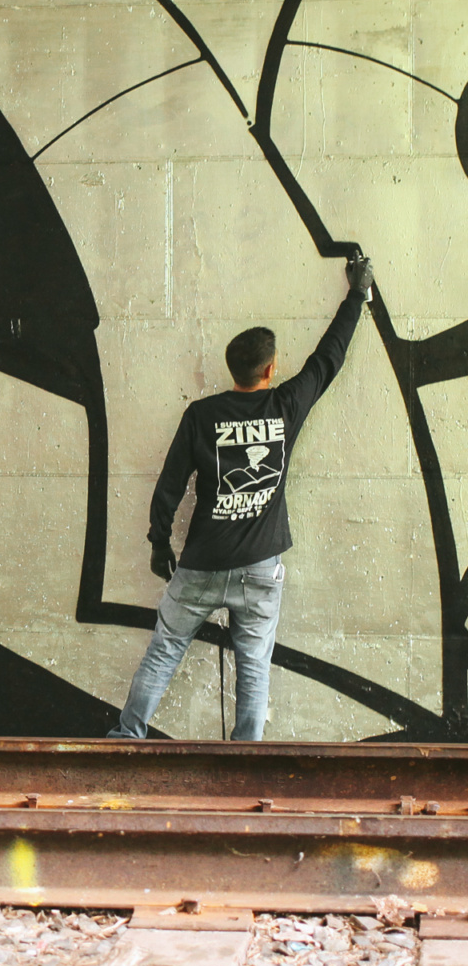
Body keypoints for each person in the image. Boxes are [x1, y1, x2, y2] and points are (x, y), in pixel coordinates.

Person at [108, 254, 375, 740]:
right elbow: (327, 359)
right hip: (259, 567)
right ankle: (246, 759)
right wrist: (357, 294)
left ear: (232, 368)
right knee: (254, 666)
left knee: (164, 651)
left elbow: (170, 484)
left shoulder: (201, 415)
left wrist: (159, 542)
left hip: (202, 563)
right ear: (271, 368)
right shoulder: (286, 405)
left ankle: (127, 739)